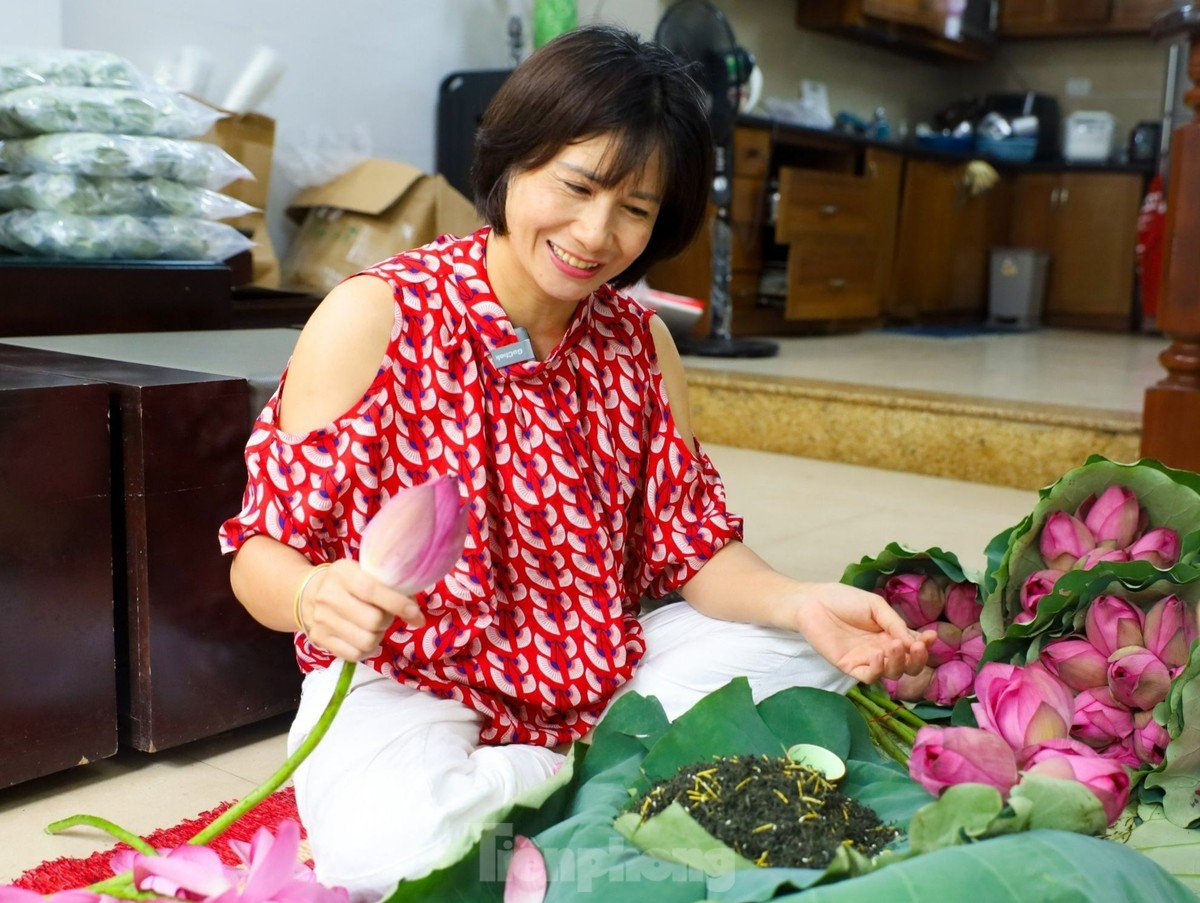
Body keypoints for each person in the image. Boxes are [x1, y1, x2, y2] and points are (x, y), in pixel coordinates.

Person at [220, 25, 932, 902]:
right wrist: (310, 594)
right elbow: (259, 554)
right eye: (578, 186)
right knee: (384, 851)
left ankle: (555, 794)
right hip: (413, 679)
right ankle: (579, 780)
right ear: (514, 160)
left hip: (603, 666)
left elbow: (694, 550)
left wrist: (798, 601)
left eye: (634, 209)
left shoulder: (643, 342)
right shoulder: (374, 318)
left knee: (814, 653)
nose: (595, 234)